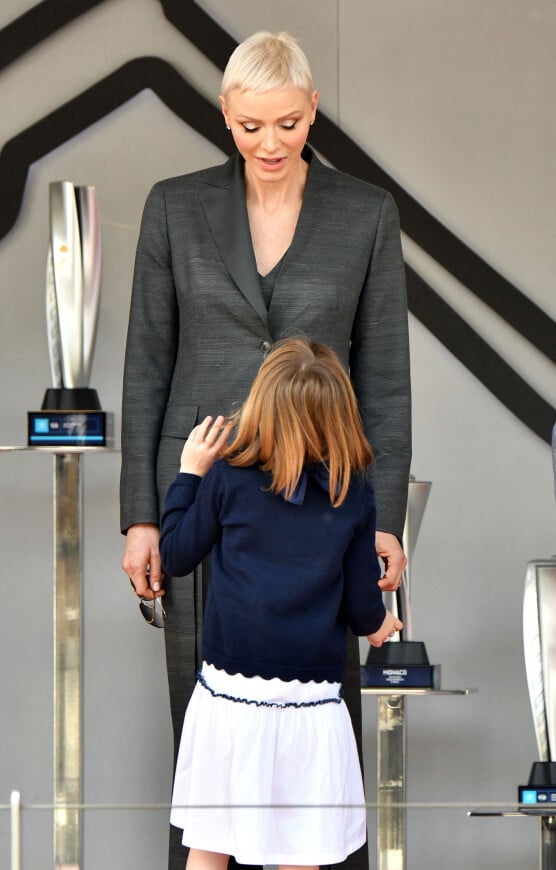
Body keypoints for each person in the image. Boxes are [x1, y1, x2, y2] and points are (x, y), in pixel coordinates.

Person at [120, 30, 411, 870]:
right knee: (206, 734)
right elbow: (146, 366)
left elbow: (384, 381)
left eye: (287, 123)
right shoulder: (173, 207)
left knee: (316, 733)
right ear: (224, 115)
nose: (270, 144)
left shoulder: (367, 213)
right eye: (250, 127)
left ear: (312, 108)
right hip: (205, 486)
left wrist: (384, 521)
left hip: (327, 503)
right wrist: (143, 516)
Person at [159, 338, 403, 870]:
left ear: (264, 402)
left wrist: (189, 473)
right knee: (301, 853)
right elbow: (363, 605)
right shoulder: (352, 493)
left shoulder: (228, 477)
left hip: (229, 699)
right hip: (309, 708)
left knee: (209, 846)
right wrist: (382, 625)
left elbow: (175, 555)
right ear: (341, 413)